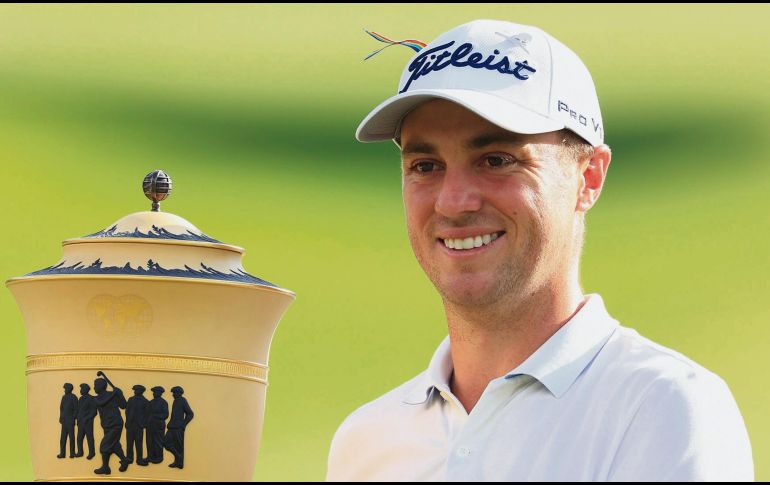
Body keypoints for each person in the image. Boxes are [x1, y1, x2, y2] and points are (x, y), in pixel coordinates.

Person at [327, 19, 754, 481]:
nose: (452, 201)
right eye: (425, 166)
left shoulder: (664, 408)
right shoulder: (367, 442)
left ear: (588, 177)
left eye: (497, 160)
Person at [93, 377, 130, 475]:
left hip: (116, 424)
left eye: (95, 385)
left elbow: (124, 405)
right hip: (106, 425)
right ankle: (124, 460)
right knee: (114, 445)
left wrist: (120, 394)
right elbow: (101, 403)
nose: (94, 388)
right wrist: (114, 393)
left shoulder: (112, 395)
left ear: (101, 386)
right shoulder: (96, 398)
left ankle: (105, 467)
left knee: (104, 445)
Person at [163, 386, 194, 469]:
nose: (173, 394)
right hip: (172, 427)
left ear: (179, 393)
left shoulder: (182, 400)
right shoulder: (175, 401)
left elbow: (190, 414)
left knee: (178, 446)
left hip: (178, 428)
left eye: (174, 393)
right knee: (165, 443)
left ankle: (179, 462)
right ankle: (178, 458)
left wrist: (183, 424)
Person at [125, 384, 150, 466]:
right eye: (134, 390)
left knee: (139, 443)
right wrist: (127, 421)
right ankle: (129, 458)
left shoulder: (145, 401)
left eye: (136, 390)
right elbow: (127, 411)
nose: (135, 391)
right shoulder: (130, 399)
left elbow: (147, 414)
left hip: (139, 425)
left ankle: (139, 459)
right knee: (129, 442)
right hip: (130, 425)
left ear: (141, 391)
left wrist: (143, 424)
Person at [146, 386, 168, 464]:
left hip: (159, 425)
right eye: (153, 392)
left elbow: (165, 415)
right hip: (150, 425)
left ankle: (159, 457)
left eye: (155, 392)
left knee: (158, 441)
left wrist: (155, 416)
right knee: (149, 441)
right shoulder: (150, 402)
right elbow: (147, 413)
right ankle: (150, 456)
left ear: (160, 393)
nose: (154, 394)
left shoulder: (163, 402)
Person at [75, 383, 97, 460]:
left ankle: (92, 452)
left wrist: (87, 418)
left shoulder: (91, 398)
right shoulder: (80, 399)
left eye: (81, 389)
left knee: (89, 438)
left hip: (88, 422)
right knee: (79, 438)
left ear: (85, 390)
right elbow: (78, 410)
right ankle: (80, 452)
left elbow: (94, 411)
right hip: (80, 422)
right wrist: (78, 419)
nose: (80, 390)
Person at [57, 383, 77, 459]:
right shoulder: (64, 397)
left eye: (65, 388)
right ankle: (62, 453)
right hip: (64, 421)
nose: (64, 390)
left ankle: (72, 453)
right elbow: (61, 408)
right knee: (63, 438)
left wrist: (73, 418)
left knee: (71, 438)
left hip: (70, 421)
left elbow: (76, 409)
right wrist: (61, 417)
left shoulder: (73, 397)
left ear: (69, 389)